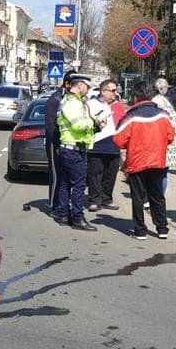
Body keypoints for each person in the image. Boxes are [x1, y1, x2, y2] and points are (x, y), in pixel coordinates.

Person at [113, 80, 176, 240]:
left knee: (138, 197)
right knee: (157, 195)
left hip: (137, 162)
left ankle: (140, 230)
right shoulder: (163, 115)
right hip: (157, 161)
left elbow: (118, 140)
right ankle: (162, 228)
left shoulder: (131, 117)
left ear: (135, 96)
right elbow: (170, 136)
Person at [53, 75, 96, 231]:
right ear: (79, 85)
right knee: (79, 185)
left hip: (69, 147)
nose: (88, 89)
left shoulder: (71, 101)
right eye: (87, 86)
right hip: (73, 149)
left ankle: (64, 214)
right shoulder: (72, 103)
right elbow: (78, 125)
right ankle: (78, 217)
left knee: (65, 183)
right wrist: (92, 121)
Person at [86, 79, 123, 212]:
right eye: (112, 90)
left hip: (114, 144)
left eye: (116, 90)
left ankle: (106, 198)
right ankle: (94, 200)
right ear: (103, 91)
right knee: (95, 174)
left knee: (111, 174)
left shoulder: (117, 105)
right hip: (97, 144)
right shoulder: (91, 103)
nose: (115, 93)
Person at [45, 71, 76, 211]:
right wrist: (57, 145)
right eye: (75, 84)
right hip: (55, 143)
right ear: (67, 84)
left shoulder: (72, 99)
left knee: (66, 176)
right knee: (57, 175)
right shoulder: (55, 99)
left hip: (68, 144)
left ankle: (63, 204)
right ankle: (53, 205)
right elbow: (51, 126)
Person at [153, 78, 176, 197]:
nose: (167, 89)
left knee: (161, 173)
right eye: (165, 87)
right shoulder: (159, 101)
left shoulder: (162, 100)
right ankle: (158, 197)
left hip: (166, 141)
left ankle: (157, 196)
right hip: (165, 141)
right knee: (161, 173)